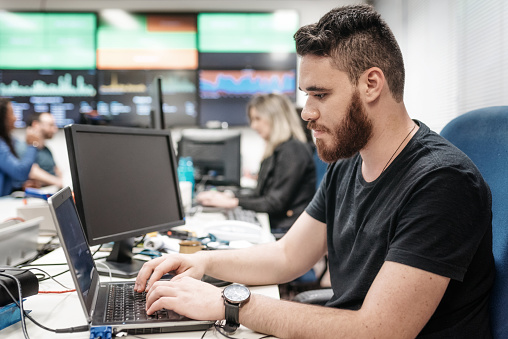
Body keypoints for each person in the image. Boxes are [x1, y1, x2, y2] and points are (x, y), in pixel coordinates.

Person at [135, 5, 494, 338]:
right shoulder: (349, 162)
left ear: (371, 84)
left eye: (320, 95)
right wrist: (201, 261)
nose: (306, 112)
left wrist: (229, 303)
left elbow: (377, 331)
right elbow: (287, 256)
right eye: (306, 94)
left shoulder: (442, 182)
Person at [196, 93, 316, 233]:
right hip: (278, 224)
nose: (253, 125)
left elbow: (274, 202)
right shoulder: (277, 149)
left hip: (287, 229)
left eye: (258, 119)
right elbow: (261, 194)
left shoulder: (293, 150)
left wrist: (233, 202)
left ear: (275, 118)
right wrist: (229, 196)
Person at [0, 98, 43, 196]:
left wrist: (20, 187)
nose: (16, 118)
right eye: (12, 113)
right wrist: (32, 145)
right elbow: (20, 173)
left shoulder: (9, 141)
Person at [16, 112, 63, 188]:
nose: (55, 129)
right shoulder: (24, 147)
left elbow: (57, 171)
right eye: (51, 125)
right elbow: (32, 172)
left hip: (52, 189)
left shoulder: (47, 150)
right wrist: (59, 182)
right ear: (36, 125)